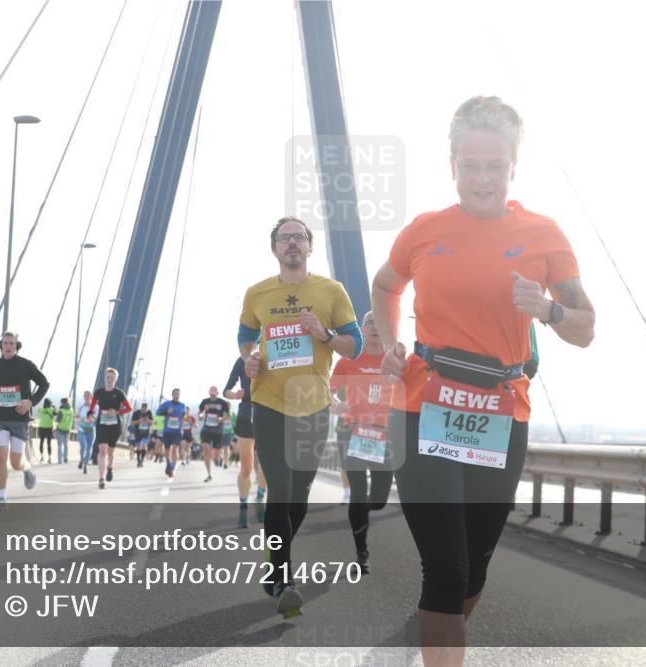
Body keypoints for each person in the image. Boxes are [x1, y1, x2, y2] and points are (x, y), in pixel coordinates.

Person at [370, 96, 595, 663]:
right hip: (424, 408)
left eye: (494, 166)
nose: (482, 178)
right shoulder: (424, 230)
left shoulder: (544, 234)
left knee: (473, 570)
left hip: (500, 413)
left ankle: (440, 624)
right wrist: (393, 342)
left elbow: (586, 328)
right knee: (444, 571)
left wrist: (546, 310)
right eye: (469, 166)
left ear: (513, 168)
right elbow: (384, 286)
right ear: (452, 167)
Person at [239, 216, 362, 617]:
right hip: (270, 402)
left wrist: (324, 335)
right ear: (274, 247)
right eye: (284, 238)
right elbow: (245, 334)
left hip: (314, 405)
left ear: (310, 246)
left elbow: (355, 346)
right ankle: (282, 578)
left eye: (299, 237)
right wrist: (250, 358)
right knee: (280, 488)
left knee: (300, 496)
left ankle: (276, 562)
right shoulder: (257, 293)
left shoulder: (331, 290)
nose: (292, 243)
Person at [329, 311, 394, 574]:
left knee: (378, 499)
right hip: (353, 431)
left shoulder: (396, 360)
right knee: (358, 492)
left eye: (379, 323)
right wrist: (336, 405)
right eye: (369, 323)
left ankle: (364, 508)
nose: (375, 327)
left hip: (385, 435)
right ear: (362, 329)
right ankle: (361, 552)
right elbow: (328, 391)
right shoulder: (348, 361)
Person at [0, 331, 49, 510]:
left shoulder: (26, 365)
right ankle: (1, 498)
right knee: (1, 456)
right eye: (5, 343)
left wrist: (31, 401)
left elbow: (44, 383)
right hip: (0, 417)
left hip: (20, 419)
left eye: (11, 343)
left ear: (16, 346)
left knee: (16, 463)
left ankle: (27, 469)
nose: (8, 346)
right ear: (1, 346)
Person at [225, 356, 268, 522]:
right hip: (246, 415)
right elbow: (226, 389)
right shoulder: (243, 359)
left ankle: (259, 498)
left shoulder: (273, 352)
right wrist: (235, 395)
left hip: (269, 413)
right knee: (247, 468)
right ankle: (243, 509)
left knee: (266, 464)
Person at [87, 368, 133, 489]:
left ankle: (110, 467)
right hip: (102, 424)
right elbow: (92, 407)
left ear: (115, 380)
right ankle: (101, 479)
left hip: (115, 426)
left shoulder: (119, 393)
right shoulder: (98, 392)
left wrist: (117, 412)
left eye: (112, 378)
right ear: (104, 378)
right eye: (107, 377)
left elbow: (129, 408)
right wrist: (90, 414)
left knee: (110, 452)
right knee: (102, 451)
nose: (109, 379)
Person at [199, 386, 231, 484]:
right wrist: (200, 416)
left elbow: (228, 414)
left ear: (217, 394)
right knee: (206, 450)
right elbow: (200, 412)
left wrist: (221, 419)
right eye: (211, 394)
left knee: (216, 456)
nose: (212, 396)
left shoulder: (222, 402)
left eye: (214, 394)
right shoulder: (205, 401)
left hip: (218, 431)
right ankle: (209, 474)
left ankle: (218, 459)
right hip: (207, 429)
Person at [156, 389, 187, 478]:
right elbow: (158, 414)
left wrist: (183, 417)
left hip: (178, 431)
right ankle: (168, 464)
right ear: (172, 394)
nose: (176, 395)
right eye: (175, 393)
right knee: (167, 450)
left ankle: (172, 467)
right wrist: (166, 412)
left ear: (179, 395)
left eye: (178, 394)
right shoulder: (166, 404)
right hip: (167, 431)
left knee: (175, 449)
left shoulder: (182, 405)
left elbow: (183, 415)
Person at [77, 390, 95, 473]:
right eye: (85, 396)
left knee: (89, 448)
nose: (86, 397)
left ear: (91, 397)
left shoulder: (95, 407)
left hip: (91, 431)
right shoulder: (81, 407)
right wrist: (79, 419)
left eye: (88, 395)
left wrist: (92, 419)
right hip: (81, 429)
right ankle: (82, 459)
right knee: (83, 445)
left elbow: (96, 418)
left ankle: (86, 465)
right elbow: (77, 417)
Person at [133, 403, 154, 467]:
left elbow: (152, 422)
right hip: (138, 431)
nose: (145, 410)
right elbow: (133, 422)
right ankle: (138, 460)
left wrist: (148, 421)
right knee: (138, 446)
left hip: (146, 432)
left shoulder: (149, 413)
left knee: (144, 446)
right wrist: (139, 420)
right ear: (141, 407)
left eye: (146, 409)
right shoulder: (136, 413)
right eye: (143, 408)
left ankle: (141, 460)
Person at [55, 397, 74, 464]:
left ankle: (60, 460)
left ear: (62, 402)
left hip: (60, 429)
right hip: (67, 429)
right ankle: (65, 458)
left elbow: (57, 420)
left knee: (60, 445)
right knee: (66, 445)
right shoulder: (71, 410)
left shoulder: (61, 411)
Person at [37, 398, 56, 463]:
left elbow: (38, 411)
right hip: (49, 428)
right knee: (49, 443)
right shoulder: (52, 409)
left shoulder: (41, 409)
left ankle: (42, 457)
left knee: (41, 442)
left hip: (41, 427)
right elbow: (55, 413)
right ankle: (49, 458)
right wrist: (53, 407)